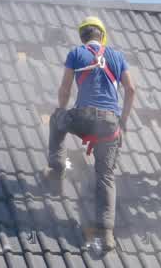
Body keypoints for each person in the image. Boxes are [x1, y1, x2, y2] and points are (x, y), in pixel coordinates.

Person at [46, 16, 137, 252]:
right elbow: (131, 89)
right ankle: (106, 232)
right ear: (102, 35)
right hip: (109, 124)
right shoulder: (117, 56)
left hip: (83, 117)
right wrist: (123, 122)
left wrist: (62, 111)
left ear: (83, 36)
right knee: (105, 175)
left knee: (57, 120)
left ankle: (56, 171)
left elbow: (65, 88)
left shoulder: (76, 53)